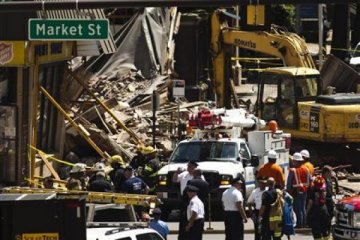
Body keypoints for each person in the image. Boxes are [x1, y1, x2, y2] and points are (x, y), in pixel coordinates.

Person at [172, 160, 199, 240]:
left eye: (190, 166)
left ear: (195, 167)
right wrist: (176, 172)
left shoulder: (197, 176)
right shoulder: (183, 174)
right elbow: (174, 180)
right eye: (188, 166)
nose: (189, 168)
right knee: (184, 218)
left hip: (194, 198)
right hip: (184, 199)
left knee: (193, 216)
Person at [286, 152, 311, 228]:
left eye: (294, 161)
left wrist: (288, 191)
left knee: (297, 208)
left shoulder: (293, 170)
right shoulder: (306, 169)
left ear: (296, 161)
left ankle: (299, 224)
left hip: (296, 192)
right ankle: (303, 223)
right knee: (303, 208)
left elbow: (289, 182)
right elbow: (310, 179)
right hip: (305, 191)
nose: (293, 162)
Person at [306, 175, 331, 240]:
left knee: (316, 229)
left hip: (316, 211)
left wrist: (307, 212)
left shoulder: (313, 190)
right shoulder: (324, 189)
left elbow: (310, 202)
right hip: (324, 209)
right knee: (324, 228)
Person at [322, 165, 335, 230]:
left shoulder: (328, 180)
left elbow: (331, 190)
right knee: (325, 217)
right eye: (330, 172)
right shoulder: (321, 180)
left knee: (331, 215)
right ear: (326, 172)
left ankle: (328, 229)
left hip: (330, 200)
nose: (331, 174)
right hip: (324, 201)